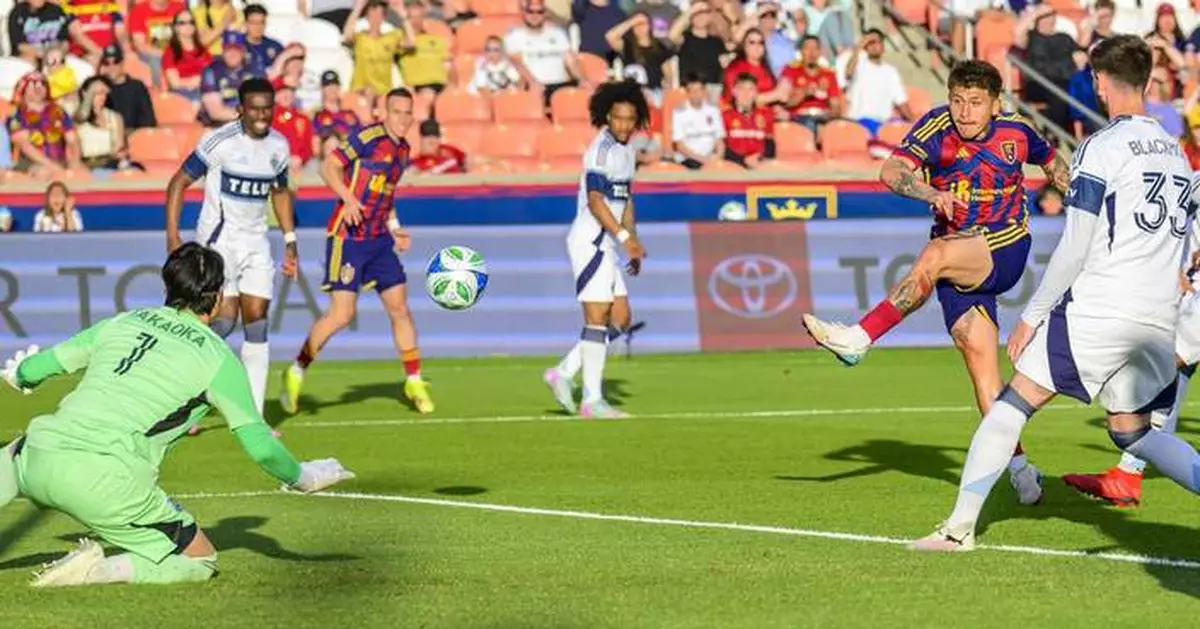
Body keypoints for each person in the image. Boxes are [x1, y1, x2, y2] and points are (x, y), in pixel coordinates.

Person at [912, 35, 1200, 552]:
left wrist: (1033, 315)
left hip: (1102, 307)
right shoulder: (1177, 154)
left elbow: (1075, 243)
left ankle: (957, 529)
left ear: (1100, 83)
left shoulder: (1102, 147)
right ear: (1146, 82)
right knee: (1132, 430)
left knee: (1011, 405)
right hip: (1159, 316)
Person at [0, 243, 354, 587]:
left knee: (17, 452)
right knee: (200, 561)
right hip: (106, 482)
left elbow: (38, 368)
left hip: (36, 457)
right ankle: (95, 571)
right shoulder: (218, 359)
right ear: (218, 297)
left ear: (168, 287)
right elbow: (260, 446)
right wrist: (304, 477)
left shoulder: (125, 320)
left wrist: (20, 374)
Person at [802, 60, 1071, 506]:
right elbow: (891, 171)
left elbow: (1052, 162)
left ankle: (859, 338)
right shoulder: (935, 127)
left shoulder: (1017, 131)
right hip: (958, 259)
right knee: (985, 379)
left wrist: (1079, 200)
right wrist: (930, 193)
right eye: (957, 101)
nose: (965, 112)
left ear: (995, 104)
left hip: (1004, 245)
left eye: (976, 103)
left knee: (935, 255)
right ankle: (1022, 471)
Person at [280, 88, 435, 416]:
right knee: (342, 315)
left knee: (400, 308)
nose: (403, 118)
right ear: (384, 113)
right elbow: (328, 167)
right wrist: (348, 199)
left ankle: (414, 379)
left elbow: (386, 195)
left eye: (408, 113)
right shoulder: (368, 137)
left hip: (379, 238)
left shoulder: (403, 150)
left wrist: (395, 227)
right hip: (348, 236)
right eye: (397, 112)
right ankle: (296, 370)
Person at [166, 78, 298, 420]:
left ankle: (254, 416)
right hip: (219, 242)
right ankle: (185, 398)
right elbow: (178, 182)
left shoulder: (279, 146)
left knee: (257, 323)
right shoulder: (219, 141)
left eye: (267, 109)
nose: (262, 116)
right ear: (240, 109)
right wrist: (173, 237)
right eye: (254, 109)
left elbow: (280, 192)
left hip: (257, 242)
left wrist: (289, 240)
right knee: (223, 322)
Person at [543, 80, 648, 418]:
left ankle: (563, 372)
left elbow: (625, 199)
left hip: (610, 242)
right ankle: (592, 400)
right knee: (597, 316)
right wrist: (623, 237)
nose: (624, 125)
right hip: (591, 241)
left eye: (630, 119)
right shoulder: (600, 151)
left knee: (621, 318)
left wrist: (632, 240)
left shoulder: (628, 151)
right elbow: (596, 201)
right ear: (607, 117)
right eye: (618, 118)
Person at [6, 72, 85, 179]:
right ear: (23, 89)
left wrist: (74, 162)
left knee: (83, 174)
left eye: (43, 84)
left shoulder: (59, 111)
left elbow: (72, 139)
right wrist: (53, 167)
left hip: (61, 160)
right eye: (33, 84)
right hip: (31, 163)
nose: (39, 87)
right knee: (44, 172)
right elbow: (24, 145)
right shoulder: (16, 115)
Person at [343, 0, 408, 97]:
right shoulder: (361, 37)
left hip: (384, 91)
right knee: (369, 92)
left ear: (383, 18)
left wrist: (403, 16)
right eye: (372, 14)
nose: (375, 18)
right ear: (367, 17)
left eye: (379, 15)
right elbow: (347, 35)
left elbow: (411, 42)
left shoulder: (391, 37)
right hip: (361, 90)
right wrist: (358, 8)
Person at [74, 76, 138, 174]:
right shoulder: (77, 118)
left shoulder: (115, 117)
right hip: (87, 165)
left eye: (104, 93)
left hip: (110, 163)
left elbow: (119, 146)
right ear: (85, 93)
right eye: (97, 93)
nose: (102, 97)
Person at [781, 35, 842, 134]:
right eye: (807, 48)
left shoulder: (828, 74)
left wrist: (832, 113)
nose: (811, 53)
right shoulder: (790, 70)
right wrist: (804, 93)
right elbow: (785, 103)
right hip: (799, 118)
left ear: (820, 52)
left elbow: (835, 105)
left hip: (822, 117)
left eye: (815, 48)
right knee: (809, 123)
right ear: (801, 51)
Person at [199, 31, 262, 127]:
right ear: (223, 51)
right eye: (228, 50)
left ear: (243, 52)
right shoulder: (212, 71)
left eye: (236, 50)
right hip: (219, 126)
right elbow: (216, 113)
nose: (232, 54)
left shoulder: (254, 70)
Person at [98, 45, 157, 132]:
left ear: (122, 63)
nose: (111, 67)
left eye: (116, 62)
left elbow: (148, 121)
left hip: (134, 136)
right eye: (106, 63)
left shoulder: (137, 87)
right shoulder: (100, 88)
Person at [671, 73, 725, 169]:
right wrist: (703, 160)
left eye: (699, 90)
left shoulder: (713, 111)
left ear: (704, 91)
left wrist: (718, 158)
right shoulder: (679, 113)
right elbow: (679, 146)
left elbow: (720, 141)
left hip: (711, 159)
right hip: (689, 160)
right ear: (686, 92)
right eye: (692, 90)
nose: (695, 94)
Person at [722, 72, 775, 169]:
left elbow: (770, 146)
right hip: (733, 167)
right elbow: (721, 149)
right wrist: (743, 160)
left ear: (756, 93)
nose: (746, 94)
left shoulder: (766, 114)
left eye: (751, 89)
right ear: (734, 91)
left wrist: (760, 159)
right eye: (741, 89)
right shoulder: (724, 116)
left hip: (759, 167)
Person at [162, 9, 212, 102]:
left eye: (191, 22)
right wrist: (194, 81)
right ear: (175, 27)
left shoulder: (203, 50)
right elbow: (175, 83)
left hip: (207, 90)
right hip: (184, 93)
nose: (188, 25)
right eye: (182, 23)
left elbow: (212, 73)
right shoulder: (170, 53)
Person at [313, 70, 361, 160]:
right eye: (328, 86)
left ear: (339, 88)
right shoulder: (317, 115)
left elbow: (360, 140)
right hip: (325, 160)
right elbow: (315, 145)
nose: (332, 89)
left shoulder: (350, 115)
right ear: (322, 89)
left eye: (334, 85)